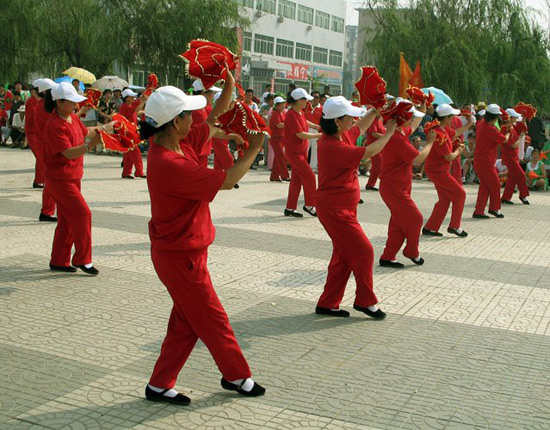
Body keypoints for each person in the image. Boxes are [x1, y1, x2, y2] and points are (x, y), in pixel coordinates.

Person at [139, 74, 266, 406]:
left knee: (186, 322)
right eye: (188, 113)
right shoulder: (169, 162)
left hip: (184, 250)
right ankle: (237, 375)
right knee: (212, 317)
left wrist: (228, 82)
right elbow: (225, 182)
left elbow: (212, 118)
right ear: (174, 122)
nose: (195, 117)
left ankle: (159, 384)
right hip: (180, 257)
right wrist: (253, 149)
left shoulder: (176, 142)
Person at [315, 96, 396, 319]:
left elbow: (362, 125)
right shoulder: (332, 146)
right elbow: (369, 152)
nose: (353, 120)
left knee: (343, 257)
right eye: (349, 117)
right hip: (335, 210)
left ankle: (328, 303)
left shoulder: (340, 136)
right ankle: (365, 301)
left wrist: (376, 109)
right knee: (364, 250)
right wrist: (389, 133)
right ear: (338, 121)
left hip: (342, 207)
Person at [43, 82, 103, 274]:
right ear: (59, 102)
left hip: (73, 177)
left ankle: (59, 260)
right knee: (83, 214)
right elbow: (68, 153)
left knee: (67, 220)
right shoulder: (54, 124)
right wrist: (90, 146)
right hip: (59, 180)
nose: (75, 105)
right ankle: (82, 259)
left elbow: (89, 132)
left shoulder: (72, 119)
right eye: (71, 102)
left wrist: (109, 128)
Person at [378, 100, 432, 268]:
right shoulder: (397, 139)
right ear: (403, 119)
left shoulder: (399, 133)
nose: (412, 119)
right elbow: (419, 159)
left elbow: (414, 125)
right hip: (394, 188)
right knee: (416, 219)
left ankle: (388, 256)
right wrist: (430, 142)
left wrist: (422, 110)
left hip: (398, 186)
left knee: (398, 224)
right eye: (410, 116)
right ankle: (411, 251)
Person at [422, 104, 470, 238]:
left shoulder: (441, 129)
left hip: (438, 170)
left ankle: (430, 227)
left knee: (444, 200)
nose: (453, 118)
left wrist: (469, 124)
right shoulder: (439, 133)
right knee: (460, 194)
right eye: (451, 116)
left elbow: (456, 133)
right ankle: (455, 226)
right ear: (446, 118)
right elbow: (448, 156)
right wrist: (458, 151)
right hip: (438, 171)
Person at [283, 88, 322, 218]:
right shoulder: (291, 114)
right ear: (298, 100)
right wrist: (318, 135)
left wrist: (316, 126)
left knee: (296, 180)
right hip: (294, 153)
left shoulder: (298, 112)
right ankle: (310, 205)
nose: (307, 102)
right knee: (310, 176)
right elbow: (300, 134)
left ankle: (290, 208)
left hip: (301, 151)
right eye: (305, 99)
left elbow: (304, 122)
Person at [473, 104, 509, 219]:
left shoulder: (481, 124)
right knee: (495, 185)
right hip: (486, 162)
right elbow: (504, 140)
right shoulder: (489, 129)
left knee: (485, 187)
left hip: (481, 160)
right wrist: (508, 132)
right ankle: (494, 208)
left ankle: (479, 211)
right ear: (495, 117)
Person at [33, 78, 58, 222]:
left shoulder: (44, 105)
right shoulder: (44, 107)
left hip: (45, 144)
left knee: (51, 179)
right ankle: (47, 211)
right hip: (45, 146)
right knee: (51, 179)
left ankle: (48, 210)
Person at [501, 108, 529, 205]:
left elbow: (521, 128)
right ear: (510, 117)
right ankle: (523, 195)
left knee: (512, 178)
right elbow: (513, 145)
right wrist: (521, 137)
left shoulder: (512, 126)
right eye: (515, 117)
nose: (517, 119)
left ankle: (506, 197)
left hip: (513, 156)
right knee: (521, 175)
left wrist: (524, 119)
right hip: (509, 157)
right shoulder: (505, 128)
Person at [119, 88, 147, 178]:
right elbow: (135, 110)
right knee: (136, 153)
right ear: (126, 98)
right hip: (128, 132)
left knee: (128, 154)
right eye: (131, 97)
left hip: (130, 131)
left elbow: (136, 108)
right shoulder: (125, 106)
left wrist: (145, 95)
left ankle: (126, 172)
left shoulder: (129, 105)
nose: (133, 98)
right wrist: (143, 102)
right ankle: (139, 172)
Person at [25, 84, 45, 187]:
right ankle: (44, 179)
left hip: (39, 132)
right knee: (40, 156)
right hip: (32, 131)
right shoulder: (30, 101)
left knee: (41, 156)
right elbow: (32, 116)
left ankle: (38, 180)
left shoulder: (40, 101)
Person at [268, 96, 289, 182]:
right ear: (276, 105)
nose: (283, 106)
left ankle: (274, 176)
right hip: (276, 138)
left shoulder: (282, 113)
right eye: (281, 104)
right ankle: (285, 175)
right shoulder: (275, 114)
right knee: (281, 157)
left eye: (283, 104)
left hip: (281, 138)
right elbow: (279, 125)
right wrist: (289, 124)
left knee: (278, 158)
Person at [364, 111, 386, 190]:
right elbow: (374, 133)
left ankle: (370, 184)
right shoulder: (373, 120)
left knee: (375, 167)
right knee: (379, 166)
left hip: (379, 146)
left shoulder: (380, 121)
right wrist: (385, 137)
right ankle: (387, 184)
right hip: (374, 147)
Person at [305, 91, 323, 171]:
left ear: (319, 99)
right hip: (306, 129)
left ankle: (313, 167)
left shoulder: (322, 108)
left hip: (316, 130)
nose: (315, 99)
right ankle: (303, 165)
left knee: (315, 148)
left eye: (317, 97)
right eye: (314, 97)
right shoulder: (306, 107)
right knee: (305, 147)